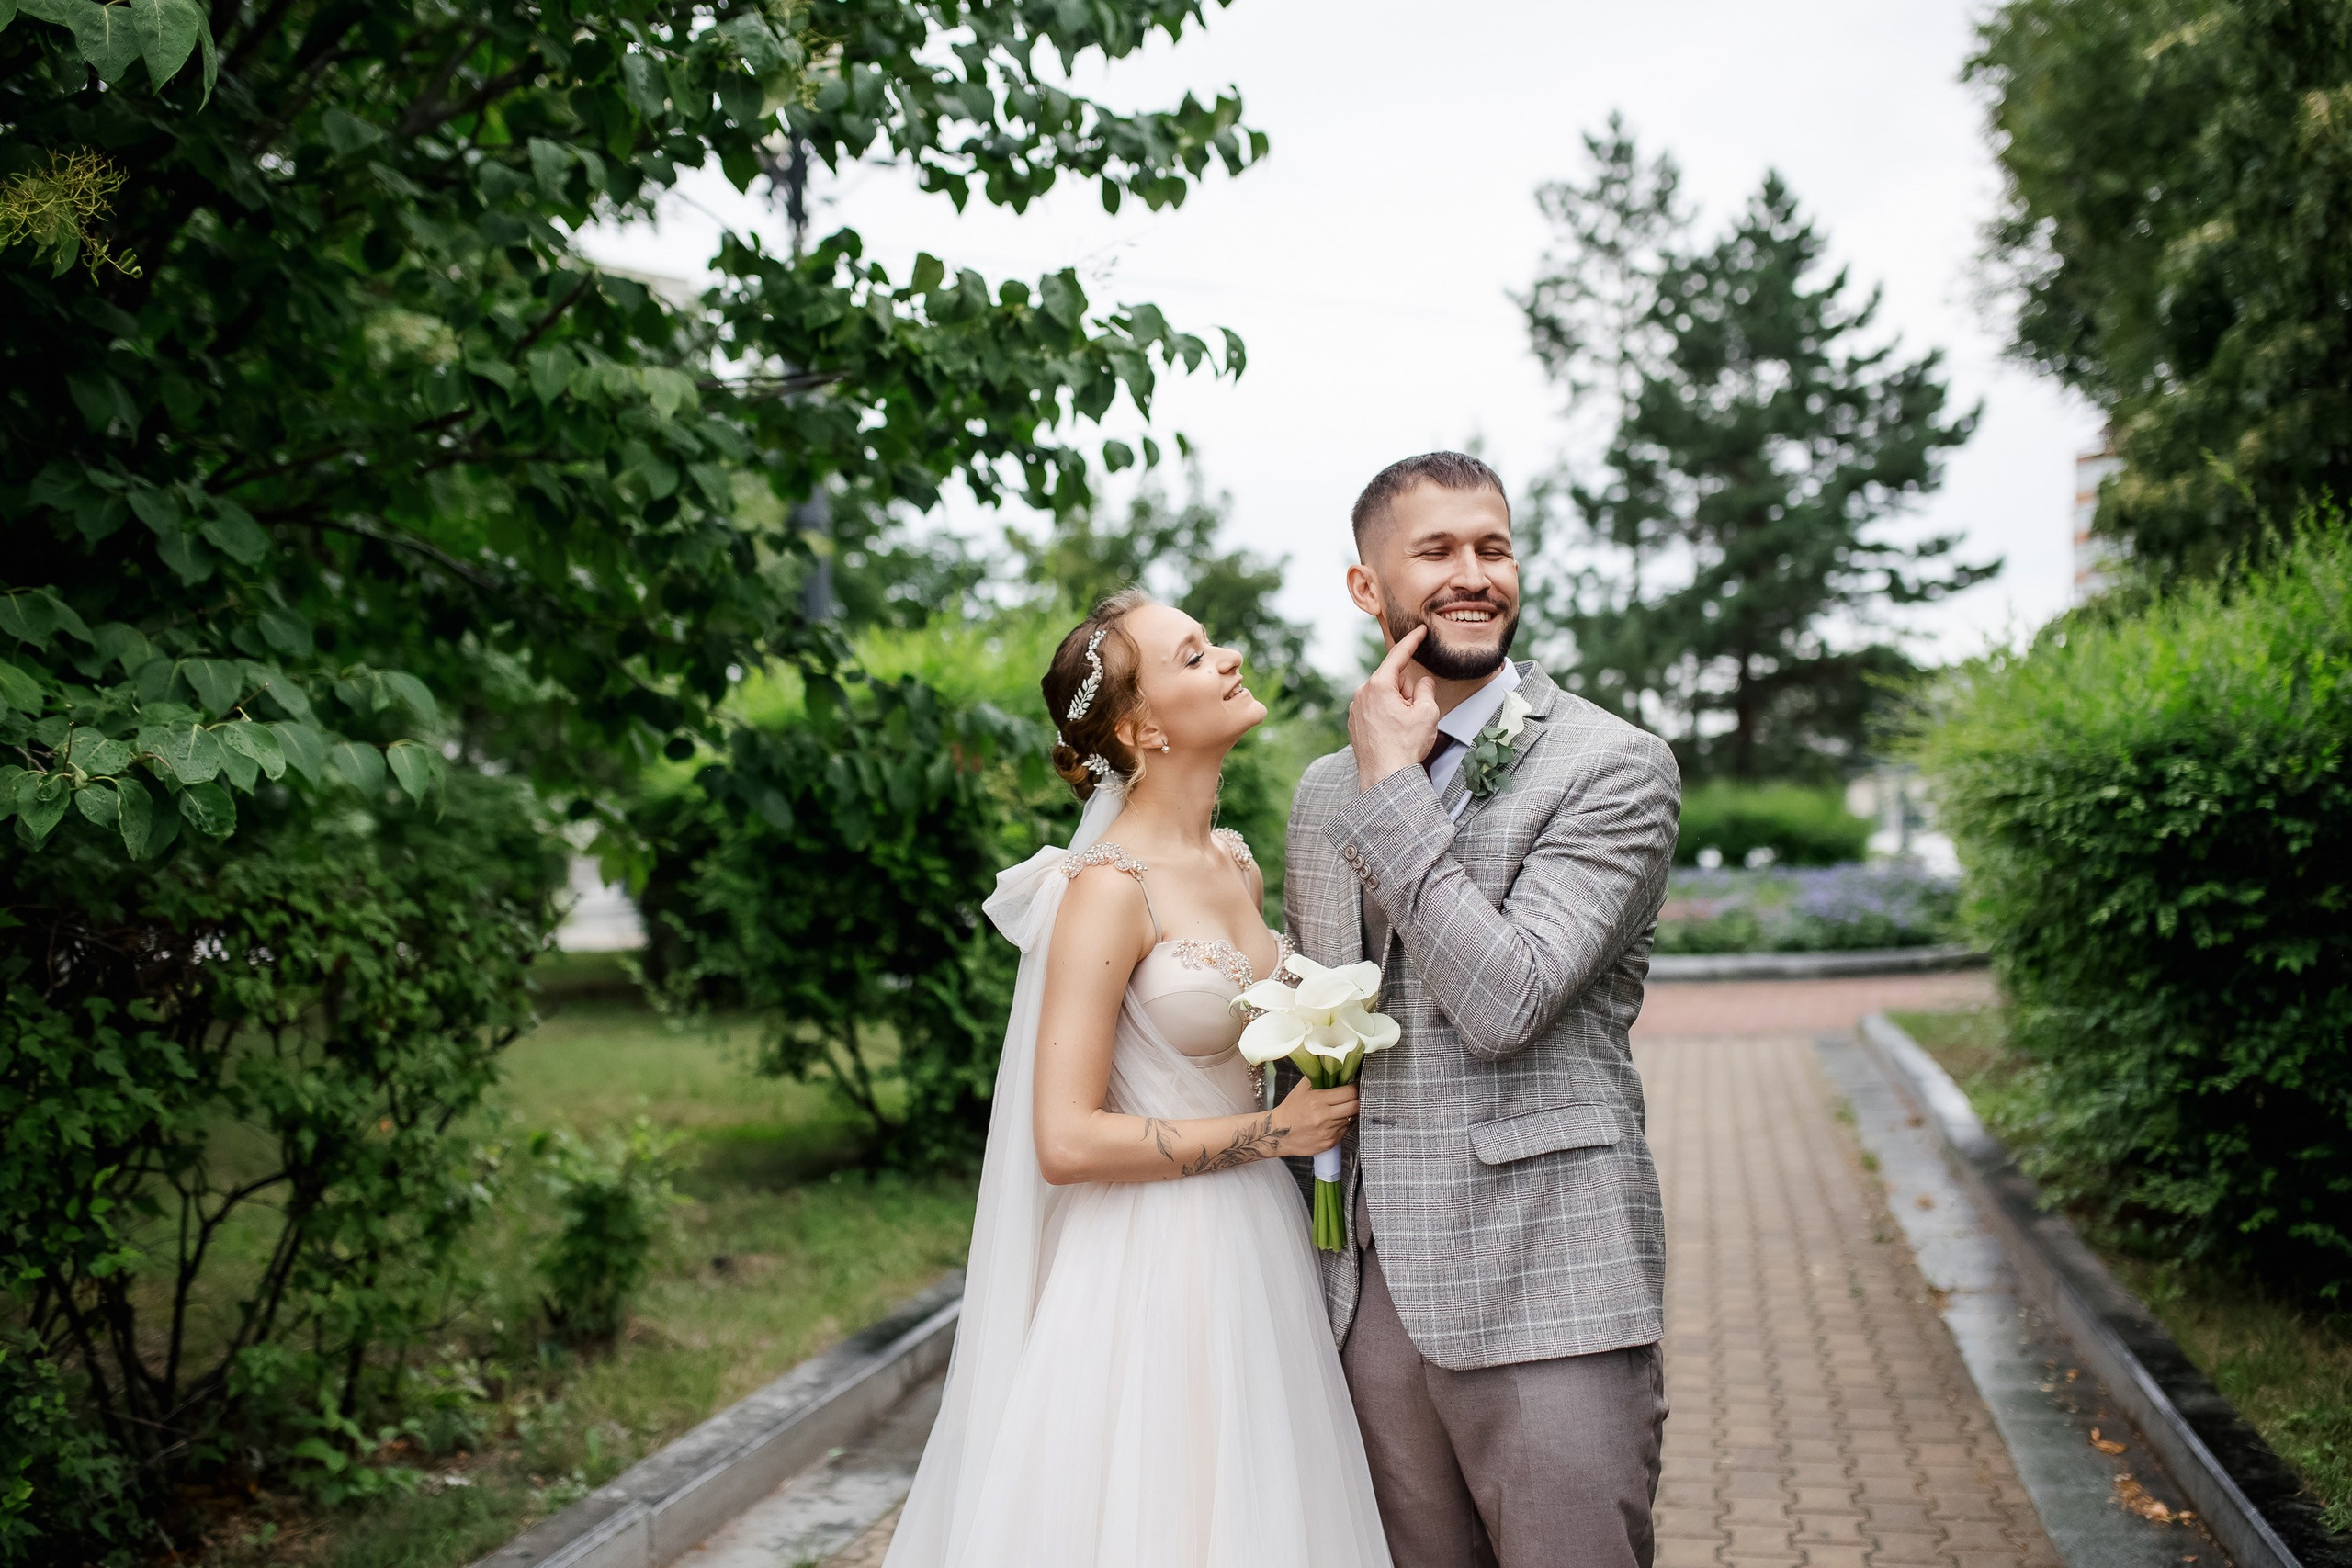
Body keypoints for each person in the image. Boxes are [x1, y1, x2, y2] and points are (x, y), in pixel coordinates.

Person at [885, 589, 1393, 1568]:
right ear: (1141, 726)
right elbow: (1065, 1141)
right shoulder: (1106, 893)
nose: (1230, 658)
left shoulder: (1233, 862)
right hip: (1145, 1265)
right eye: (1195, 656)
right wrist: (1270, 1136)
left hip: (1259, 1246)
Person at [1284, 452, 1682, 1568]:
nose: (1474, 574)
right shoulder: (1321, 793)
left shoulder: (1614, 766)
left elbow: (1505, 998)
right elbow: (1314, 1027)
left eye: (1493, 547)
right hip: (1363, 1292)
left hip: (1546, 1278)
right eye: (1437, 550)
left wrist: (1395, 791)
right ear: (1368, 589)